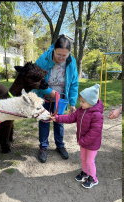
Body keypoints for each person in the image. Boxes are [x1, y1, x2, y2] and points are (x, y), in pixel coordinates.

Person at [33, 34, 79, 163]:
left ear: (69, 53)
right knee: (44, 121)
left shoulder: (71, 62)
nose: (61, 58)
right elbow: (35, 79)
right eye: (59, 55)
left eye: (64, 56)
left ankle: (60, 145)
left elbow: (74, 83)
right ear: (54, 50)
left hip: (61, 99)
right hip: (45, 96)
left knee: (59, 122)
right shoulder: (44, 59)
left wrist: (72, 103)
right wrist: (49, 91)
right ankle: (43, 147)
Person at [51, 84, 103, 189]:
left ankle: (93, 178)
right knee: (83, 158)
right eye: (80, 101)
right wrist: (57, 118)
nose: (80, 103)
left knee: (89, 161)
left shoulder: (97, 115)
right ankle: (85, 172)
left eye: (83, 102)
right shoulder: (80, 110)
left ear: (91, 102)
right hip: (83, 141)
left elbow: (95, 132)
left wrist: (83, 141)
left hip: (91, 143)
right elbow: (70, 118)